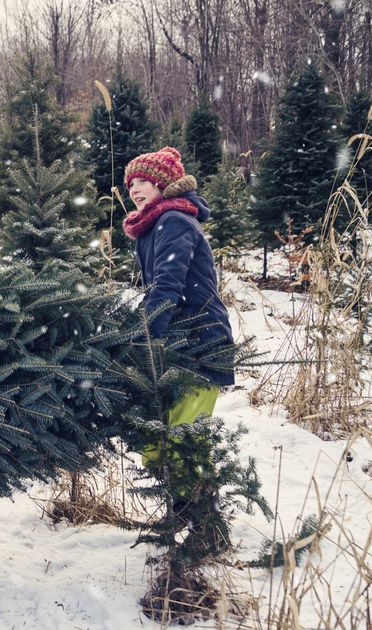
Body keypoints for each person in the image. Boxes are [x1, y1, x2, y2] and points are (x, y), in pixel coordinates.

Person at [122, 146, 235, 473]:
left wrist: (143, 340)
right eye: (131, 184)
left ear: (162, 184)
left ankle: (202, 521)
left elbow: (167, 287)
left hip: (200, 343)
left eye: (143, 181)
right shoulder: (153, 225)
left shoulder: (173, 220)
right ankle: (178, 514)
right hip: (175, 343)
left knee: (184, 448)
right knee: (157, 446)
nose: (135, 190)